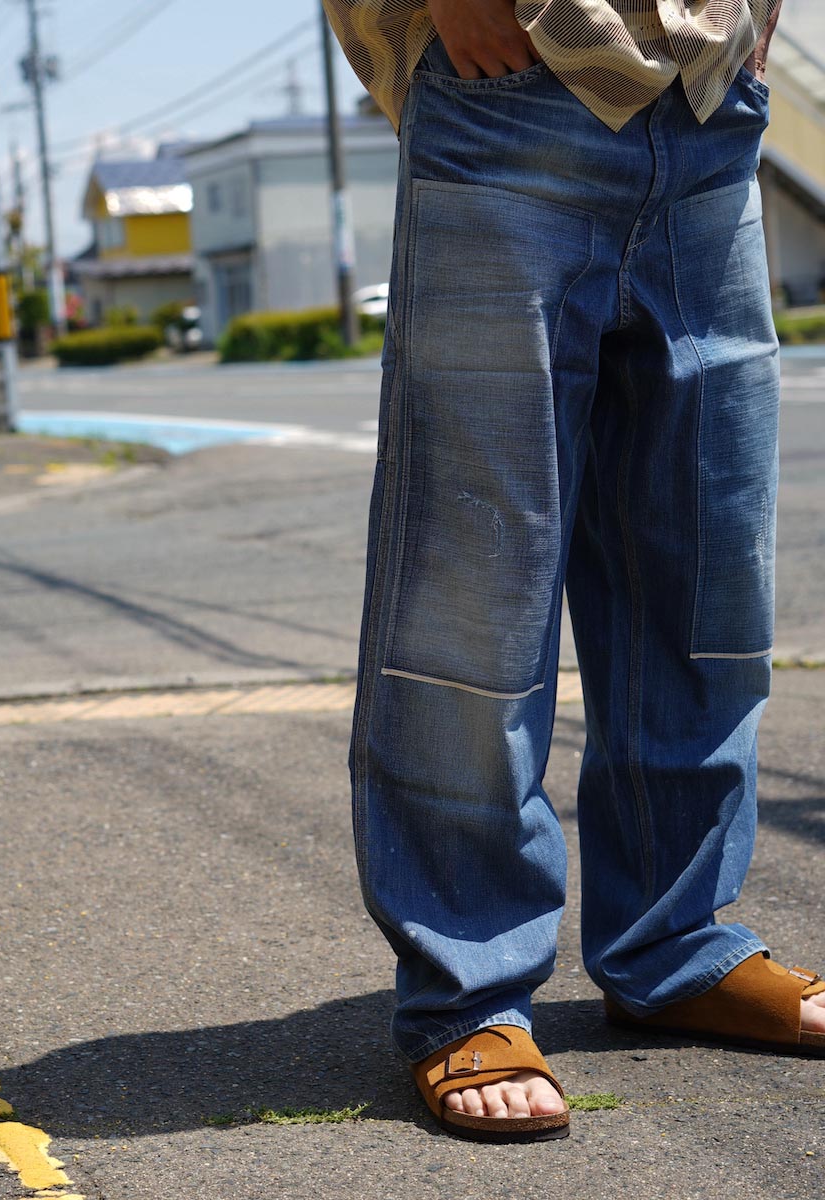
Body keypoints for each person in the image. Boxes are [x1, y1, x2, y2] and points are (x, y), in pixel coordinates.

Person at [320, 0, 824, 1143]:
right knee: (476, 584)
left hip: (710, 101)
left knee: (705, 569)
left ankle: (676, 945)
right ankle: (467, 989)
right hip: (512, 82)